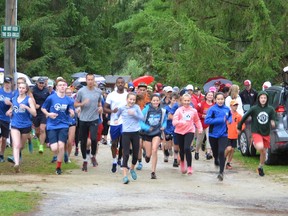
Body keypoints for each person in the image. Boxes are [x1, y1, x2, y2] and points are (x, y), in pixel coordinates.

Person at [237, 91, 276, 177]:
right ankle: (253, 142)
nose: (263, 99)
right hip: (256, 132)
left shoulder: (270, 109)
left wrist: (273, 123)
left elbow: (273, 119)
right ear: (258, 99)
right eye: (261, 98)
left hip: (266, 133)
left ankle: (260, 167)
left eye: (265, 98)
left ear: (267, 99)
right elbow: (244, 117)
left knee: (263, 152)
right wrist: (239, 127)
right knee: (260, 147)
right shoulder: (254, 108)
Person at [41, 79, 75, 175]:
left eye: (64, 85)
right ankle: (60, 153)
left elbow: (71, 112)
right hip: (52, 125)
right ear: (57, 87)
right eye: (60, 85)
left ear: (66, 87)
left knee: (61, 146)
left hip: (63, 125)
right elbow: (43, 108)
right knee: (54, 148)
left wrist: (72, 114)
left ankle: (58, 167)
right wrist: (48, 114)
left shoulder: (69, 100)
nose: (62, 87)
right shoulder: (51, 98)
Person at [74, 74, 102, 172]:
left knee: (94, 139)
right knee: (83, 141)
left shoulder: (98, 91)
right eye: (88, 80)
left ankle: (93, 155)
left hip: (94, 118)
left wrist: (100, 108)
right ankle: (85, 160)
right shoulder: (81, 91)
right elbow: (75, 103)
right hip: (83, 119)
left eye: (92, 79)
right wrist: (82, 103)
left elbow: (99, 103)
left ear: (94, 80)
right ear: (86, 80)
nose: (90, 81)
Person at [6, 82, 36, 173]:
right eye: (20, 88)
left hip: (26, 125)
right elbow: (12, 108)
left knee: (21, 146)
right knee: (16, 144)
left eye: (23, 88)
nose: (21, 89)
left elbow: (34, 113)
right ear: (18, 89)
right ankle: (16, 164)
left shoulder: (29, 99)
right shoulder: (14, 98)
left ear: (26, 89)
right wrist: (9, 112)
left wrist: (26, 107)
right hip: (15, 124)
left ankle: (17, 157)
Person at [114, 93, 144, 184]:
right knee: (126, 153)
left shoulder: (136, 108)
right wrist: (115, 119)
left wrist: (134, 113)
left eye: (133, 100)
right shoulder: (122, 108)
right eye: (130, 99)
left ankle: (132, 168)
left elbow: (142, 118)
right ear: (127, 99)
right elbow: (117, 114)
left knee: (135, 154)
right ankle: (125, 176)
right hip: (126, 132)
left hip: (135, 132)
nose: (131, 101)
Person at [173, 93, 203, 175]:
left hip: (190, 131)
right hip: (179, 131)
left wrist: (200, 128)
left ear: (190, 101)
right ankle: (182, 161)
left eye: (188, 101)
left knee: (187, 148)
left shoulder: (193, 111)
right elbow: (174, 122)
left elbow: (197, 120)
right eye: (185, 100)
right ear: (182, 101)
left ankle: (189, 167)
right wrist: (181, 122)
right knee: (182, 149)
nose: (186, 102)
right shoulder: (179, 110)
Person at [205, 92, 232, 181]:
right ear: (215, 100)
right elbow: (207, 120)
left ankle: (221, 172)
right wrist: (220, 120)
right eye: (218, 99)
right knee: (216, 152)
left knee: (221, 151)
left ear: (224, 100)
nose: (220, 101)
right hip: (213, 134)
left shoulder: (227, 109)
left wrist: (230, 120)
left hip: (223, 134)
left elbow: (230, 116)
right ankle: (216, 158)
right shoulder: (212, 109)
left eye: (222, 99)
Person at [103, 77, 128, 173]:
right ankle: (114, 160)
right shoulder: (111, 95)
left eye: (122, 82)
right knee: (114, 143)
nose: (120, 84)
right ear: (116, 84)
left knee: (124, 143)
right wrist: (112, 111)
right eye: (119, 83)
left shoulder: (127, 95)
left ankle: (121, 160)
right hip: (115, 122)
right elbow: (105, 108)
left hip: (125, 122)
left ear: (124, 84)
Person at [140, 94, 167, 179]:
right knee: (149, 154)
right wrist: (147, 128)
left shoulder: (162, 110)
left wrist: (164, 126)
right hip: (147, 133)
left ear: (159, 101)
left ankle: (153, 171)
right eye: (154, 100)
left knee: (155, 149)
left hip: (157, 132)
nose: (155, 102)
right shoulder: (146, 109)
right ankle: (147, 156)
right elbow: (139, 121)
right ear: (151, 101)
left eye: (157, 100)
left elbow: (165, 120)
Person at [32, 77, 50, 154]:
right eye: (40, 83)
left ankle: (41, 146)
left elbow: (49, 101)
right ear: (37, 83)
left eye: (42, 83)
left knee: (42, 129)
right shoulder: (33, 90)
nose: (41, 84)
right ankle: (38, 138)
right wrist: (34, 105)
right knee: (37, 131)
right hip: (36, 112)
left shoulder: (46, 90)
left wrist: (47, 112)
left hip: (43, 112)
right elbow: (29, 99)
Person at [135, 82, 151, 170]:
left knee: (146, 146)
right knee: (139, 144)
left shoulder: (149, 101)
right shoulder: (134, 100)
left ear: (146, 91)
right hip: (137, 125)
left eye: (144, 90)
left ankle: (147, 154)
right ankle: (139, 162)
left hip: (148, 126)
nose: (142, 91)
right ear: (137, 90)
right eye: (140, 90)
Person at [195, 91, 214, 160]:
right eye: (209, 95)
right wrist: (202, 115)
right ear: (206, 96)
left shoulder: (214, 105)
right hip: (202, 124)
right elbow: (195, 112)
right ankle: (197, 151)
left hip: (210, 124)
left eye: (211, 95)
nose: (210, 96)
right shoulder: (201, 104)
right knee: (200, 139)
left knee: (209, 138)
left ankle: (208, 152)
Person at [226, 100, 244, 170]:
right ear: (230, 106)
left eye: (236, 105)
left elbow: (242, 124)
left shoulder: (238, 115)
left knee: (232, 149)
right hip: (227, 134)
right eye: (234, 105)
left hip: (234, 135)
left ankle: (228, 163)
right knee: (228, 148)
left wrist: (240, 129)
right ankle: (222, 159)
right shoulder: (227, 114)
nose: (235, 107)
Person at [0, 77, 14, 162]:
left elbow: (16, 105)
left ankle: (1, 154)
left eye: (8, 83)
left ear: (11, 83)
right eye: (5, 82)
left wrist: (10, 104)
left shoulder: (12, 94)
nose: (7, 84)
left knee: (4, 139)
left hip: (6, 119)